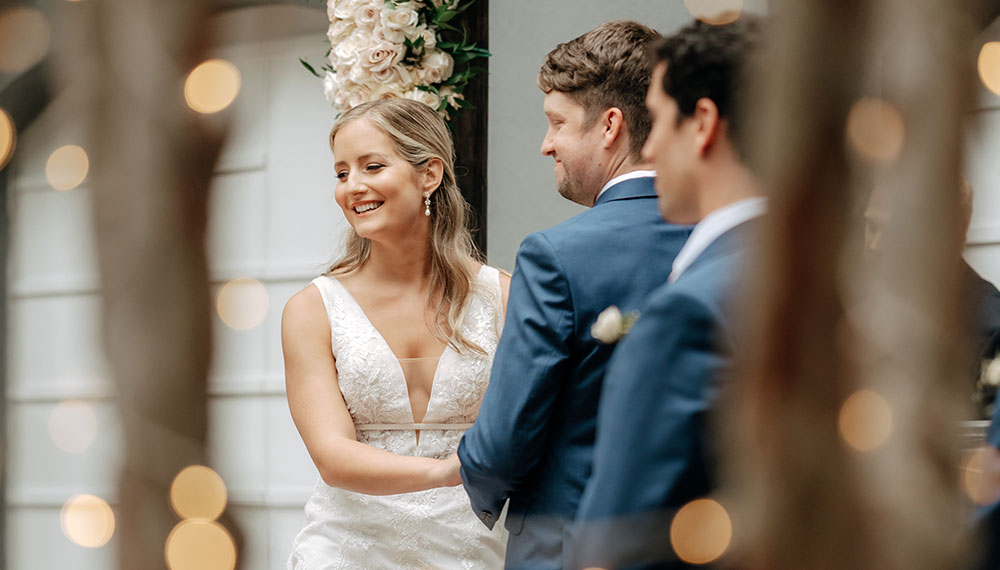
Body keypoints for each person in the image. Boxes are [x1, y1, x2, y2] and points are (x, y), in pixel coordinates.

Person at [457, 21, 693, 570]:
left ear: (610, 125)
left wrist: (469, 470)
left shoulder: (556, 256)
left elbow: (503, 441)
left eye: (557, 123)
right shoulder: (727, 240)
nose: (546, 145)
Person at [570, 18, 765, 569]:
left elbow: (618, 544)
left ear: (702, 123)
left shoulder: (690, 311)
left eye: (655, 121)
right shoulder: (839, 281)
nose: (649, 148)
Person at [283, 98, 509, 569]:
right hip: (347, 548)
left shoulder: (503, 297)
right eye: (342, 173)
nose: (353, 187)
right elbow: (332, 455)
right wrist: (449, 471)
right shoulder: (312, 310)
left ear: (430, 174)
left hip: (474, 546)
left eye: (372, 166)